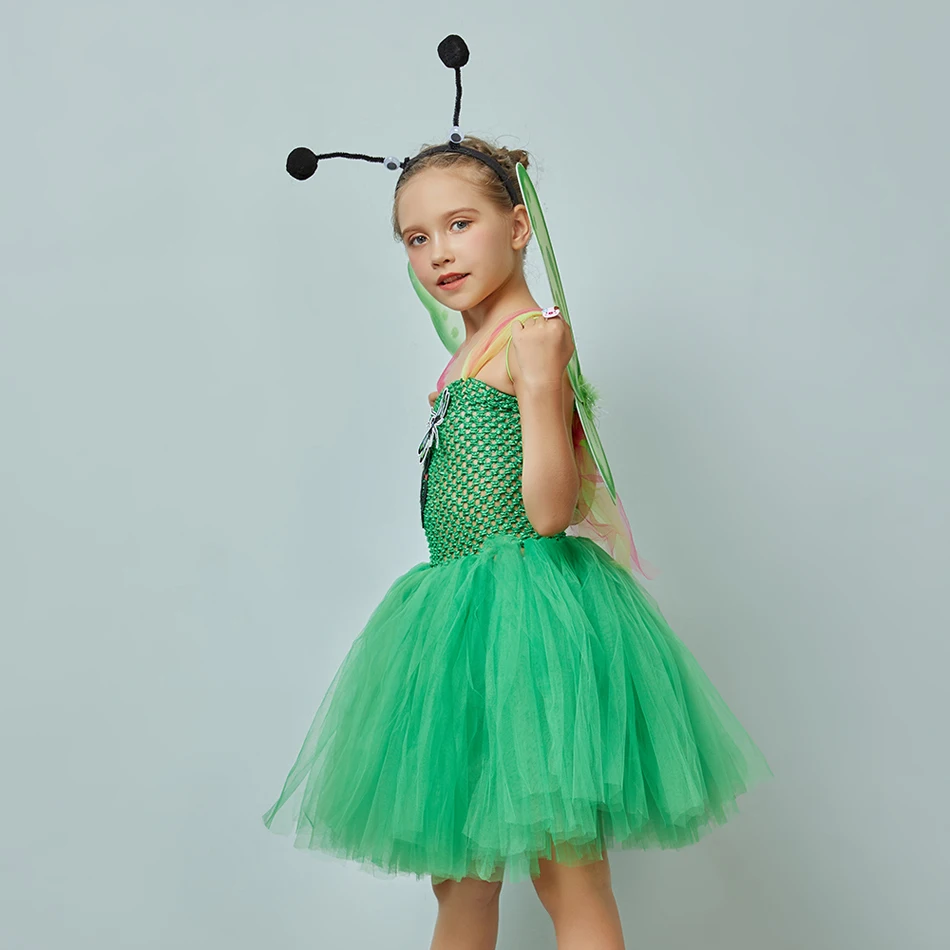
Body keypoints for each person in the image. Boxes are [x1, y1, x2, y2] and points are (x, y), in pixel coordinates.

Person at [262, 35, 773, 950]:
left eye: (460, 224)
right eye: (416, 238)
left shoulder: (532, 338)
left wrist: (540, 385)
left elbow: (547, 512)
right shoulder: (464, 351)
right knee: (458, 880)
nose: (438, 253)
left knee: (567, 875)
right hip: (455, 621)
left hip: (531, 623)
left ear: (518, 226)